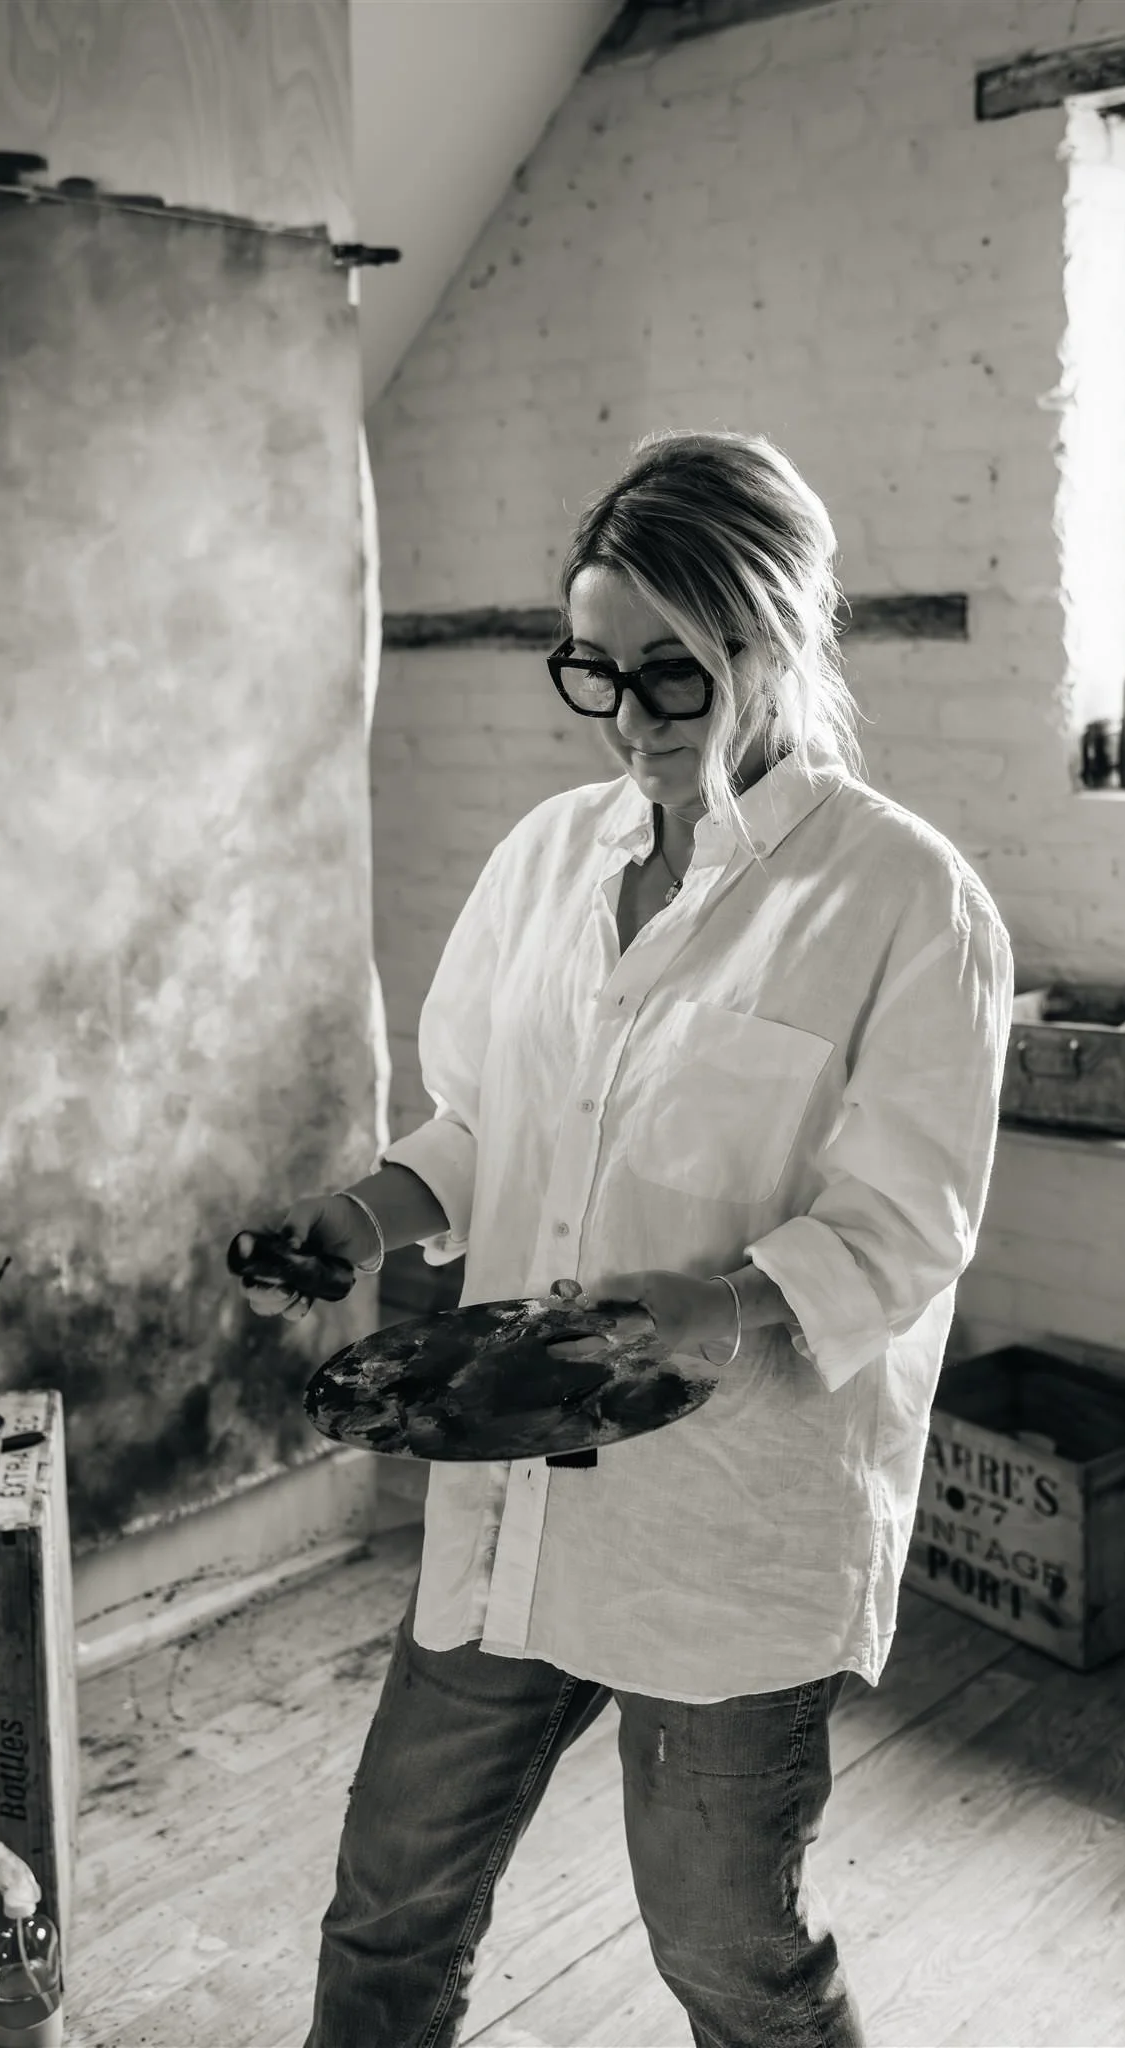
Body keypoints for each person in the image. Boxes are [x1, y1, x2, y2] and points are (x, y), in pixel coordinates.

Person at [243, 430, 1014, 2048]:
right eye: (598, 671)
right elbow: (480, 1124)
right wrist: (365, 1211)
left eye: (676, 675)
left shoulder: (900, 901)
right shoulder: (547, 860)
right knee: (386, 1916)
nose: (635, 721)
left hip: (722, 1537)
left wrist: (724, 1303)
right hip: (514, 1506)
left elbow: (908, 1220)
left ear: (775, 640)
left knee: (733, 1962)